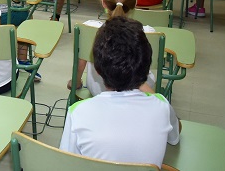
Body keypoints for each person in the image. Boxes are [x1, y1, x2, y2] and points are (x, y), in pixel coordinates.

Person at [60, 16, 180, 168]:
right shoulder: (161, 105)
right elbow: (175, 138)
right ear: (147, 65)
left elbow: (66, 164)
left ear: (97, 69)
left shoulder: (77, 112)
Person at [68, 0, 156, 96]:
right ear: (135, 3)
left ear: (103, 2)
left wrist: (76, 83)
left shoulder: (88, 27)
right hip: (139, 92)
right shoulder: (149, 32)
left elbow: (80, 64)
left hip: (99, 91)